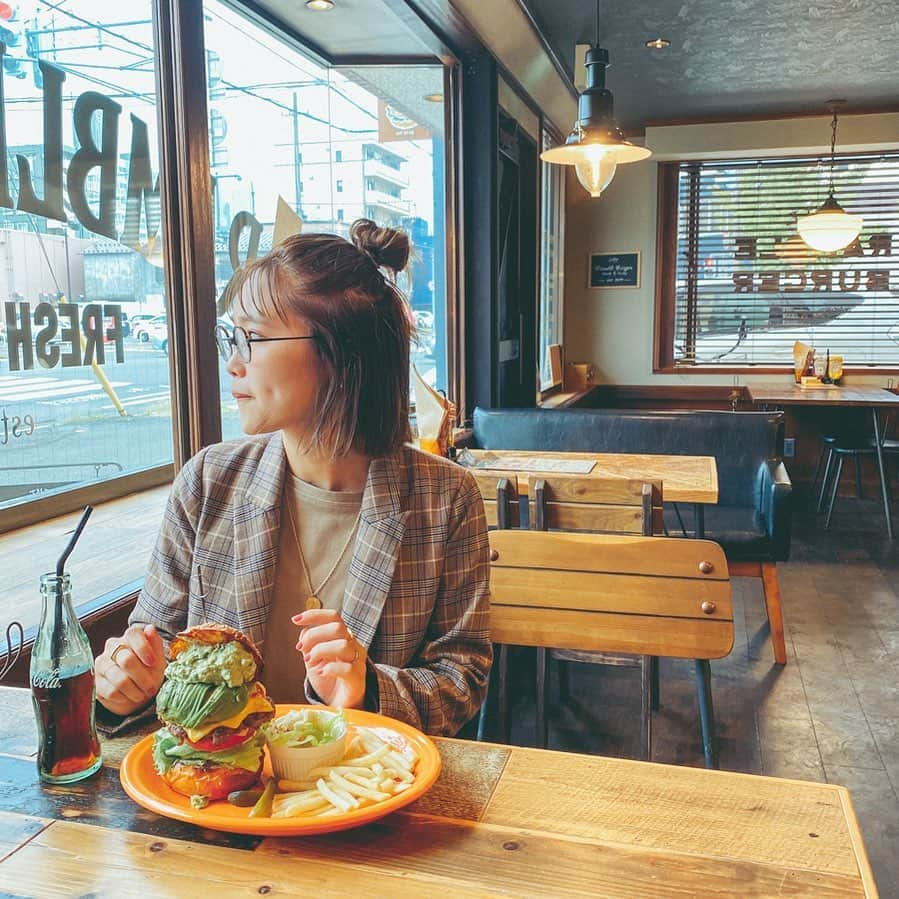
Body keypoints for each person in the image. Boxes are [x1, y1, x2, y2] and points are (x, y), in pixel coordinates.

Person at [94, 220, 491, 737]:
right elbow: (156, 649)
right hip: (223, 788)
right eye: (232, 338)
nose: (234, 364)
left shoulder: (445, 498)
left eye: (253, 338)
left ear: (338, 353)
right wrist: (125, 688)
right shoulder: (209, 482)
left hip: (362, 787)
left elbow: (462, 677)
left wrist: (368, 689)